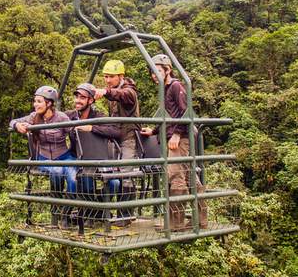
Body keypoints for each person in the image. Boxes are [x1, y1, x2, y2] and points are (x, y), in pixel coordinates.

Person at [140, 54, 207, 230]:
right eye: (152, 72)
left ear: (167, 70)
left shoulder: (176, 86)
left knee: (176, 176)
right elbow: (169, 116)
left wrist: (177, 134)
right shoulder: (165, 89)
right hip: (176, 136)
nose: (154, 75)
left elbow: (186, 112)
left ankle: (176, 223)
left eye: (158, 71)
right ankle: (201, 220)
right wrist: (154, 131)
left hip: (181, 138)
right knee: (190, 176)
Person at [94, 60, 140, 224]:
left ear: (121, 76)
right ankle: (104, 212)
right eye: (105, 77)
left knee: (126, 173)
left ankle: (125, 215)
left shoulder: (129, 91)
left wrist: (106, 91)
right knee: (113, 173)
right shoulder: (112, 93)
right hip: (116, 136)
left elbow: (124, 96)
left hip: (128, 137)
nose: (107, 80)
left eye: (111, 77)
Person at [10, 86, 77, 197]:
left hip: (64, 156)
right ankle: (56, 203)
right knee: (57, 171)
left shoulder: (61, 118)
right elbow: (13, 121)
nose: (35, 104)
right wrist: (16, 125)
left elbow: (74, 132)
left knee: (73, 178)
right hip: (45, 158)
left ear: (49, 103)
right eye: (35, 101)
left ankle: (67, 208)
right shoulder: (34, 117)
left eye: (39, 102)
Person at [66, 83, 121, 213]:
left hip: (96, 158)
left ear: (90, 100)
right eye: (77, 97)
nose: (78, 101)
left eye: (82, 98)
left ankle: (98, 208)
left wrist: (92, 128)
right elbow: (54, 119)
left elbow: (115, 131)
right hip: (76, 157)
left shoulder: (98, 116)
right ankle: (82, 212)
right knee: (83, 178)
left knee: (115, 183)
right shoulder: (70, 115)